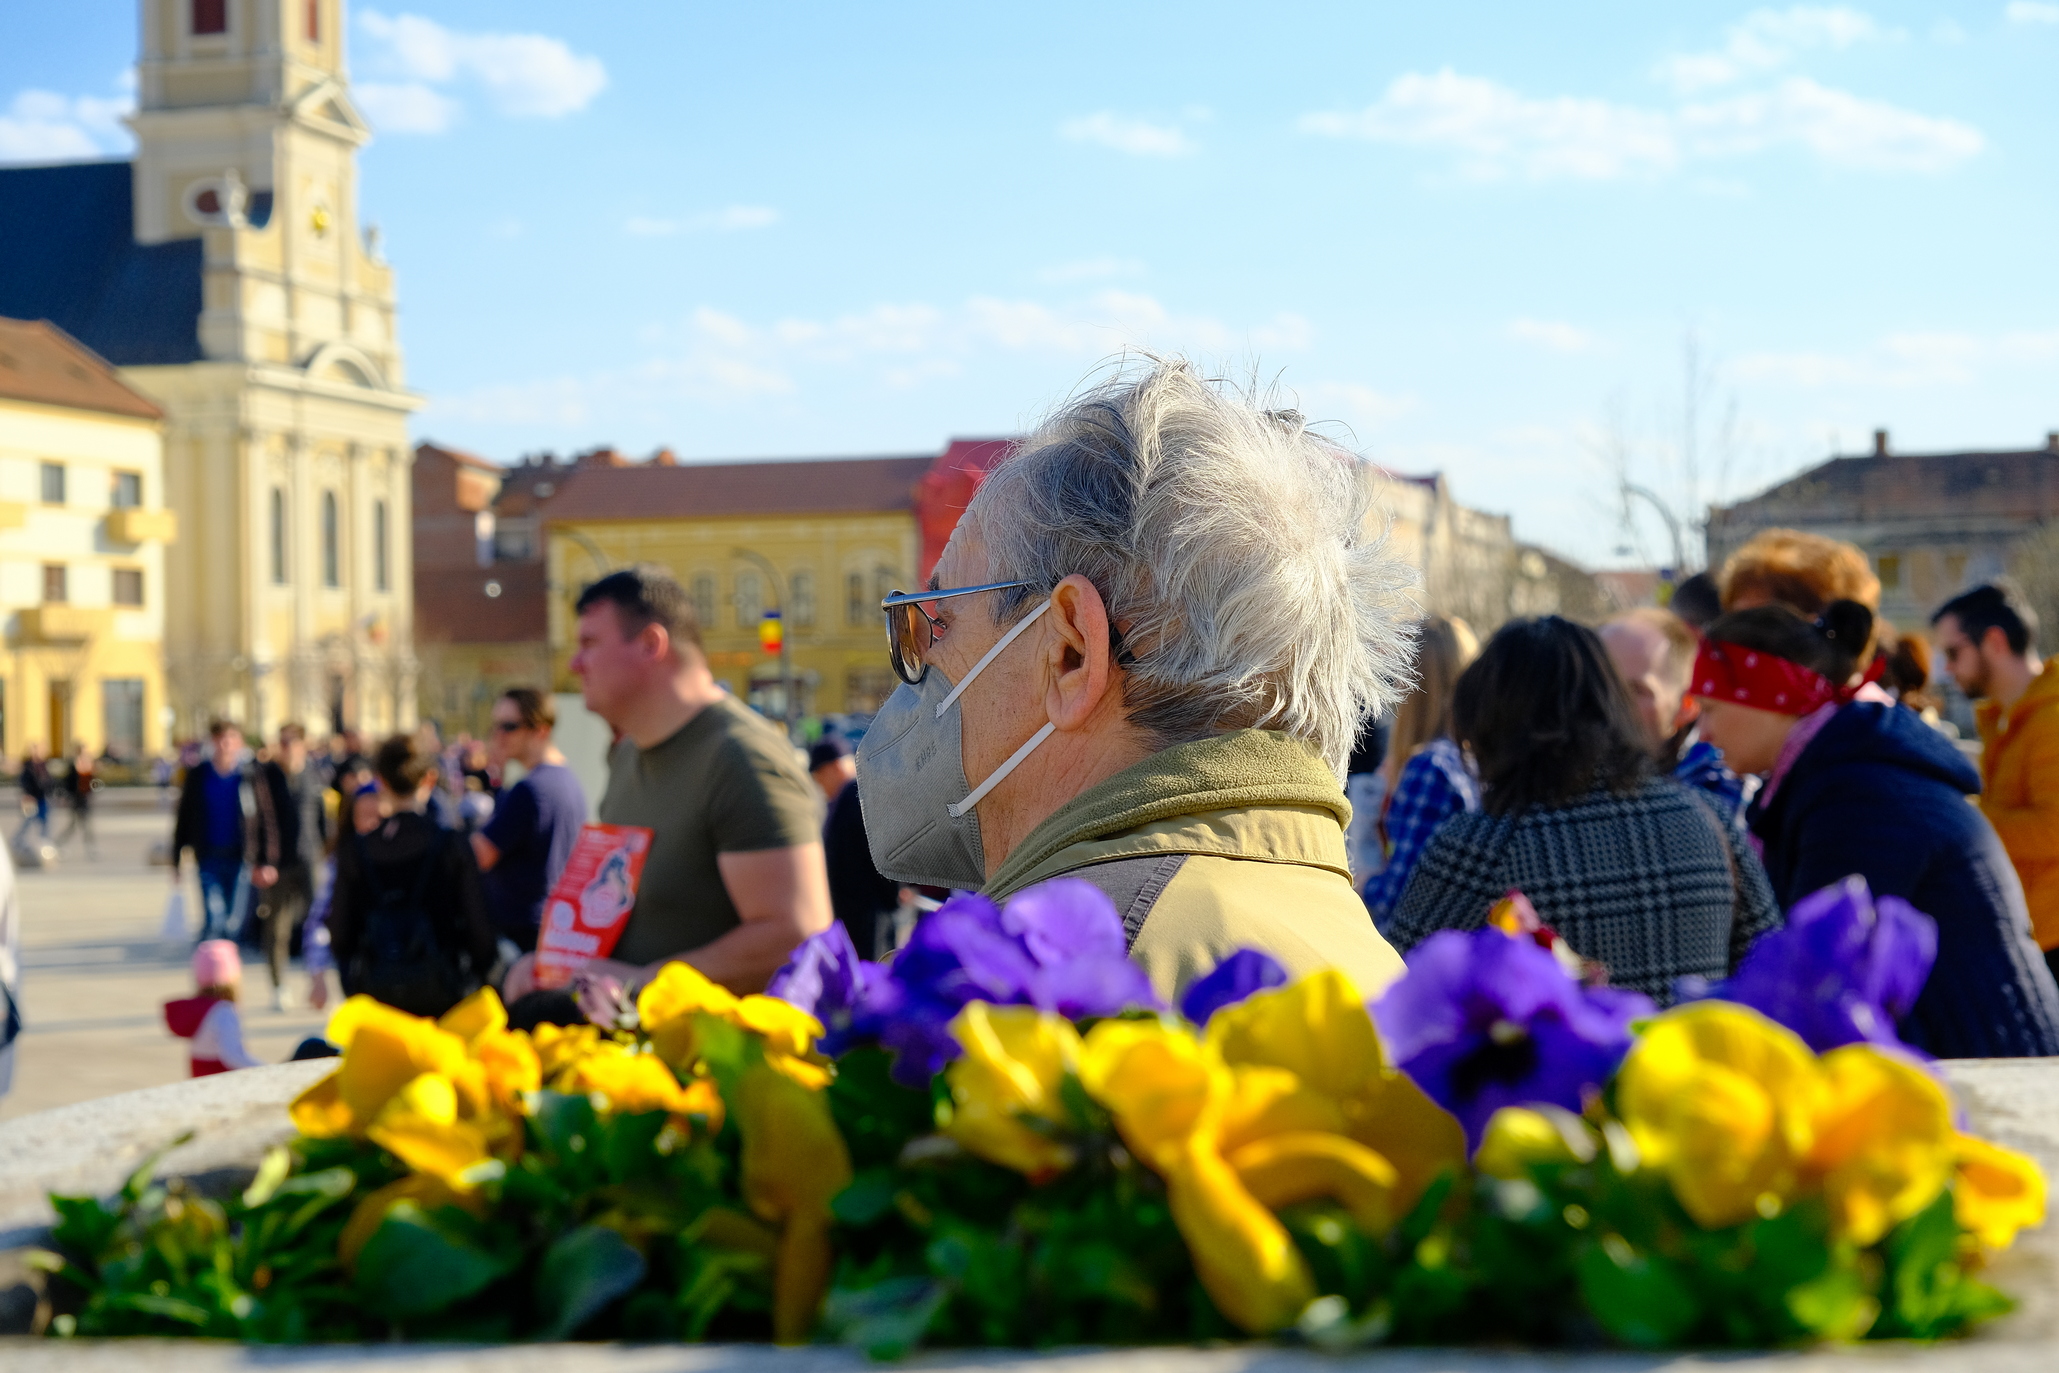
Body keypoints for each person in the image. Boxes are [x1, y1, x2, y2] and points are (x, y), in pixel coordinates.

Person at [859, 359, 1414, 1003]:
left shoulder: (1026, 1002)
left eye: (937, 622)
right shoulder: (1375, 964)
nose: (920, 661)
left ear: (1070, 652)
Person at [1695, 599, 2059, 1057]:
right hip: (1968, 1056)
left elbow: (1820, 974)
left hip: (1986, 1071)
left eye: (1709, 707)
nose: (1701, 731)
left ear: (1770, 697)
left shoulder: (1858, 794)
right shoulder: (1836, 771)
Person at [1387, 617, 1780, 1004]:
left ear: (1489, 725)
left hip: (1549, 1066)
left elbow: (1398, 985)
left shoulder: (1481, 844)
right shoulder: (1709, 820)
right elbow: (1771, 966)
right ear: (1613, 704)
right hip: (1690, 1065)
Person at [501, 565, 830, 1019]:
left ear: (651, 644)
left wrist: (643, 981)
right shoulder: (626, 754)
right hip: (631, 1058)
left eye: (590, 644)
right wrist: (552, 968)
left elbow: (796, 933)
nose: (575, 664)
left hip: (715, 1069)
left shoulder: (740, 757)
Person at [1932, 582, 2059, 978]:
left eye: (1953, 653)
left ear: (1994, 641)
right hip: (2033, 932)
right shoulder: (2005, 720)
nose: (1947, 669)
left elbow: (2054, 829)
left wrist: (1964, 816)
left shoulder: (2052, 718)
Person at [327, 734, 498, 1018]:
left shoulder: (356, 850)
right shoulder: (451, 845)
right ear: (429, 779)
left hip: (378, 996)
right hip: (443, 993)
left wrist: (354, 984)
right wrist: (484, 976)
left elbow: (341, 934)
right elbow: (478, 925)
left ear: (380, 780)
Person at [1361, 616, 1480, 928]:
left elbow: (1401, 896)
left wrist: (1362, 884)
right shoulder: (1473, 761)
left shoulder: (1429, 769)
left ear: (1413, 685)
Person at [1598, 607, 1747, 826]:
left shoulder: (1718, 794)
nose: (1607, 702)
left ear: (1686, 706)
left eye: (1635, 691)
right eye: (1598, 685)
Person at [473, 688, 587, 955]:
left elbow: (479, 853)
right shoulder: (568, 780)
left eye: (509, 726)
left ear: (541, 731)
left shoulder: (530, 789)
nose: (498, 735)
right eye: (496, 726)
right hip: (554, 927)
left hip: (522, 934)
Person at [247, 723, 329, 1010]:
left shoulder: (312, 773)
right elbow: (255, 822)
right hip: (276, 863)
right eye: (282, 742)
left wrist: (326, 851)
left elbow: (321, 816)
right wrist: (259, 862)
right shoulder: (265, 776)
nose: (286, 747)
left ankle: (320, 982)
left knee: (318, 924)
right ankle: (279, 986)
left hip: (309, 858)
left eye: (292, 742)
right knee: (276, 928)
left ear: (303, 745)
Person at [812, 735, 900, 959]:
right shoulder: (849, 796)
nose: (819, 786)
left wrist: (893, 896)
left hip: (867, 915)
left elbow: (880, 854)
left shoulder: (855, 795)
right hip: (861, 913)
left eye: (819, 777)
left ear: (834, 768)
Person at [171, 721, 253, 943]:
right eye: (221, 739)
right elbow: (184, 817)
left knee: (233, 921)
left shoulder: (248, 776)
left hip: (239, 855)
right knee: (214, 916)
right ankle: (212, 964)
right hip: (208, 855)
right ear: (213, 742)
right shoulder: (199, 775)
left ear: (239, 743)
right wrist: (176, 858)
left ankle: (224, 966)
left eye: (231, 738)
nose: (225, 744)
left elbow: (262, 818)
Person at [161, 940, 261, 1075]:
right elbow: (233, 1056)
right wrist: (266, 1069)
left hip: (200, 1076)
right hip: (221, 1079)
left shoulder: (199, 1009)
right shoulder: (224, 1012)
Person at [55, 743, 96, 859]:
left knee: (86, 825)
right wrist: (65, 797)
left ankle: (90, 849)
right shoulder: (73, 765)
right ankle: (59, 843)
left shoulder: (89, 765)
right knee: (74, 825)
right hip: (75, 799)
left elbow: (93, 781)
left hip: (85, 799)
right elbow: (67, 782)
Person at [14, 742, 50, 850]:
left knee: (44, 821)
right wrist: (26, 794)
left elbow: (48, 780)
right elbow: (23, 781)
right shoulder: (28, 765)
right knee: (28, 820)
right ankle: (18, 840)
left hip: (42, 797)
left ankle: (44, 842)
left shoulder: (43, 764)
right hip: (31, 798)